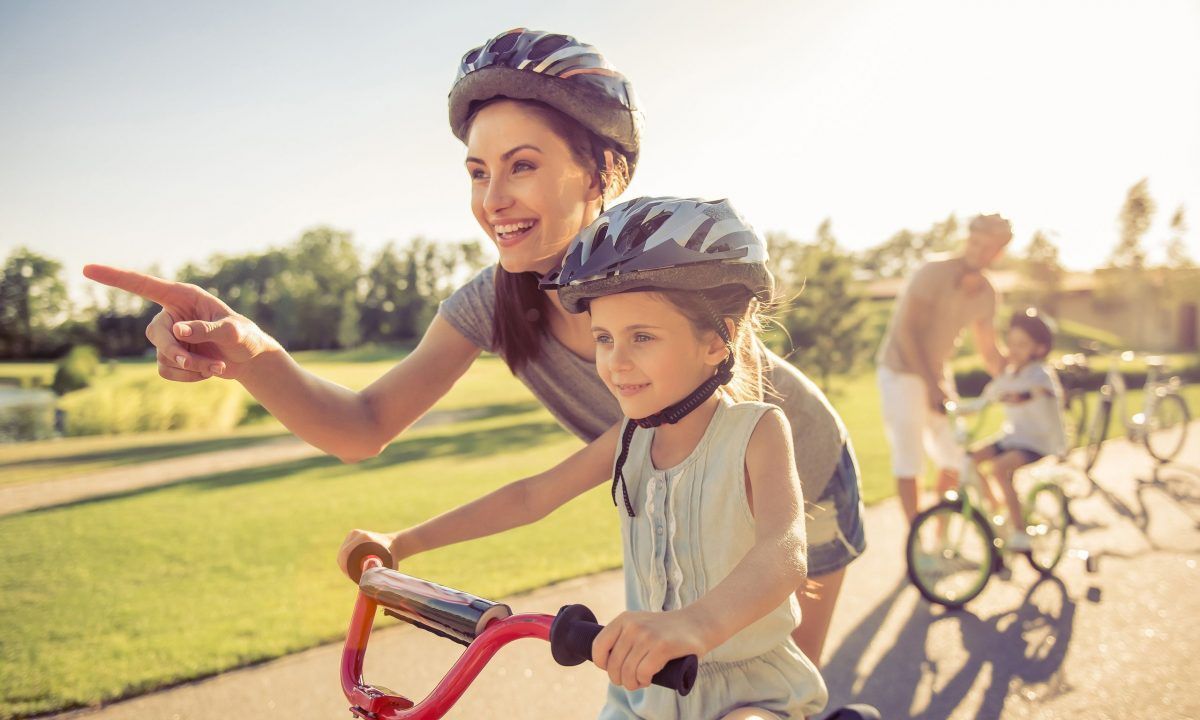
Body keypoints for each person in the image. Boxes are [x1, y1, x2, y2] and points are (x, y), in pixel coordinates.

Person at [82, 28, 862, 666]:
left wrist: (696, 620)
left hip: (794, 486)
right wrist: (252, 353)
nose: (494, 201)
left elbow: (754, 512)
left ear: (603, 172)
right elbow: (362, 427)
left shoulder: (668, 280)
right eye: (479, 172)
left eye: (523, 167)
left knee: (764, 683)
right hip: (675, 495)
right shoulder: (494, 302)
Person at [339, 197, 829, 720]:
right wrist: (404, 542)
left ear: (718, 340)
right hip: (645, 694)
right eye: (603, 338)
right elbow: (531, 496)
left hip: (750, 695)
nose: (616, 362)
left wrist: (696, 625)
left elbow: (784, 550)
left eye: (641, 337)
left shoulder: (755, 431)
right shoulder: (628, 440)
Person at [875, 212, 1011, 524]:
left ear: (999, 253)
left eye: (987, 247)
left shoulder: (988, 293)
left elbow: (989, 350)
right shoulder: (932, 273)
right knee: (910, 460)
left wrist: (1020, 380)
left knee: (954, 456)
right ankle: (917, 541)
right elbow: (907, 333)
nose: (978, 251)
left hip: (937, 373)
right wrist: (933, 385)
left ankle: (939, 535)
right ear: (967, 239)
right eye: (975, 242)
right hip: (901, 371)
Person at [970, 308, 1067, 550]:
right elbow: (984, 399)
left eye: (1022, 344)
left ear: (1039, 349)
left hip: (1039, 441)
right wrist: (952, 407)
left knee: (999, 469)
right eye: (1011, 343)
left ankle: (1020, 531)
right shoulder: (1009, 374)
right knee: (970, 459)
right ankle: (999, 508)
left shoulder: (1041, 375)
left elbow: (1040, 392)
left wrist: (1021, 395)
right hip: (1014, 436)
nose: (1013, 349)